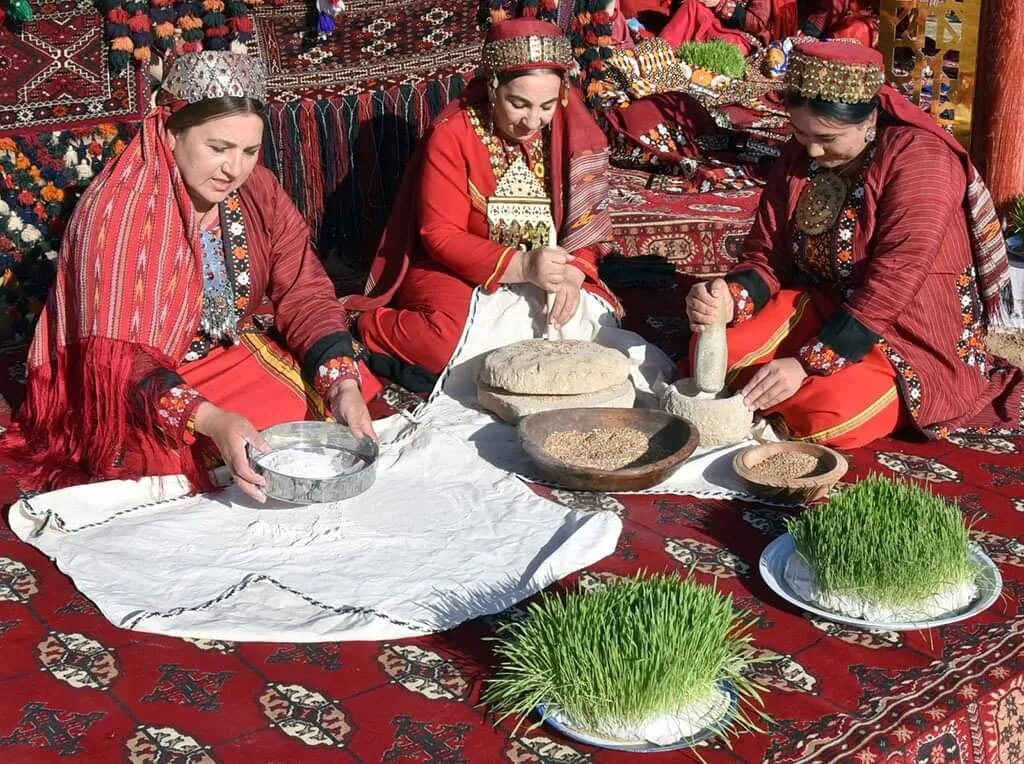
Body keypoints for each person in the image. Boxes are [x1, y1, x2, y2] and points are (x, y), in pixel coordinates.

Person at [3, 51, 378, 502]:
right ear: (170, 131)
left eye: (249, 151)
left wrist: (343, 384)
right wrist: (213, 419)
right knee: (142, 460)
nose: (234, 169)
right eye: (218, 148)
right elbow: (115, 359)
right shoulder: (119, 213)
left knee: (330, 411)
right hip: (138, 380)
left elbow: (303, 288)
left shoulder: (256, 190)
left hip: (227, 356)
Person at [684, 41, 1022, 447]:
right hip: (825, 305)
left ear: (868, 121)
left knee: (825, 418)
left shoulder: (923, 162)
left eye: (826, 137)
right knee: (714, 353)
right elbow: (766, 253)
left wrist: (806, 363)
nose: (810, 149)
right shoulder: (799, 155)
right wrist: (730, 296)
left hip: (908, 333)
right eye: (798, 131)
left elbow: (893, 281)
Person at [345, 18, 619, 380]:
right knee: (450, 348)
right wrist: (522, 267)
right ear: (492, 88)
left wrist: (573, 272)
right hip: (458, 268)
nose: (532, 121)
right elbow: (439, 234)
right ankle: (372, 326)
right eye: (519, 104)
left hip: (550, 270)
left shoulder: (571, 134)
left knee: (596, 332)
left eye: (547, 105)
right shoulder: (451, 136)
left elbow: (588, 227)